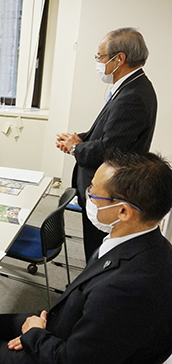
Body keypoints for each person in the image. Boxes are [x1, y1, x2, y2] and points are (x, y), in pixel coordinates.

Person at [0, 151, 172, 364]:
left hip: (63, 348)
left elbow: (73, 359)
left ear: (123, 211)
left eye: (93, 193)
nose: (87, 196)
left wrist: (35, 335)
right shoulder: (141, 240)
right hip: (68, 323)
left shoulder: (126, 288)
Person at [55, 27, 157, 262]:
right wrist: (79, 138)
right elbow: (108, 133)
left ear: (119, 59)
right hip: (102, 186)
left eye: (100, 57)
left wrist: (75, 148)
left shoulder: (134, 95)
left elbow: (111, 149)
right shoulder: (130, 86)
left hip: (110, 191)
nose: (99, 62)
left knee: (97, 250)